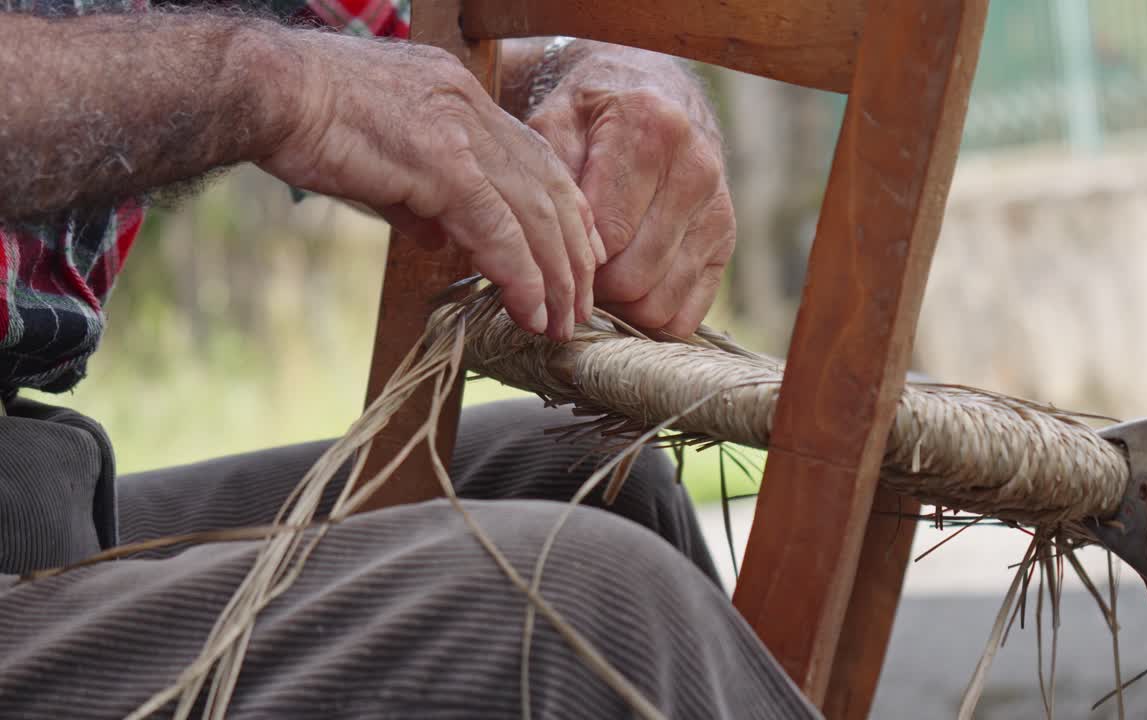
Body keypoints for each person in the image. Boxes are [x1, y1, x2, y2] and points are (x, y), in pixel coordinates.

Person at [0, 1, 820, 717]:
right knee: (582, 597)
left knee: (592, 476)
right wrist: (272, 82)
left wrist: (607, 76)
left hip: (39, 498)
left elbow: (420, 70)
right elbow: (312, 77)